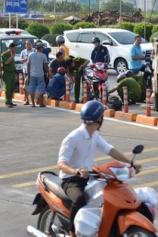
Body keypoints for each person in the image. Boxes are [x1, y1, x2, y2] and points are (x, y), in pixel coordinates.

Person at [57, 100, 142, 237]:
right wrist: (75, 171)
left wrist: (130, 163)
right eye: (102, 116)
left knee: (109, 196)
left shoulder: (94, 136)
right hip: (71, 179)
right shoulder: (73, 138)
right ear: (99, 119)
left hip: (89, 177)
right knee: (79, 199)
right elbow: (61, 164)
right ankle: (72, 232)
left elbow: (110, 150)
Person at [26, 42, 49, 107]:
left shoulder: (30, 55)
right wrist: (48, 72)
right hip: (40, 75)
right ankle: (40, 103)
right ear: (41, 48)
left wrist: (28, 73)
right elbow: (46, 65)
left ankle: (33, 104)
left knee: (32, 89)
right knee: (41, 89)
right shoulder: (43, 55)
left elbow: (28, 64)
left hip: (32, 75)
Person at [2, 42, 17, 108]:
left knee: (12, 88)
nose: (15, 50)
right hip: (7, 73)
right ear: (10, 48)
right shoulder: (5, 54)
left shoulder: (12, 54)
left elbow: (13, 65)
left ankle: (10, 101)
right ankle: (7, 102)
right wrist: (11, 57)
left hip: (12, 73)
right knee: (8, 88)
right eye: (14, 49)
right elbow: (6, 62)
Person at [19, 40, 35, 105]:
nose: (28, 46)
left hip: (33, 71)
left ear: (31, 44)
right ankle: (27, 100)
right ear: (25, 45)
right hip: (26, 71)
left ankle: (35, 100)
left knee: (34, 86)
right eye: (27, 44)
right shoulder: (23, 52)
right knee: (26, 86)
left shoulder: (34, 51)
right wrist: (25, 59)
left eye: (29, 44)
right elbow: (21, 61)